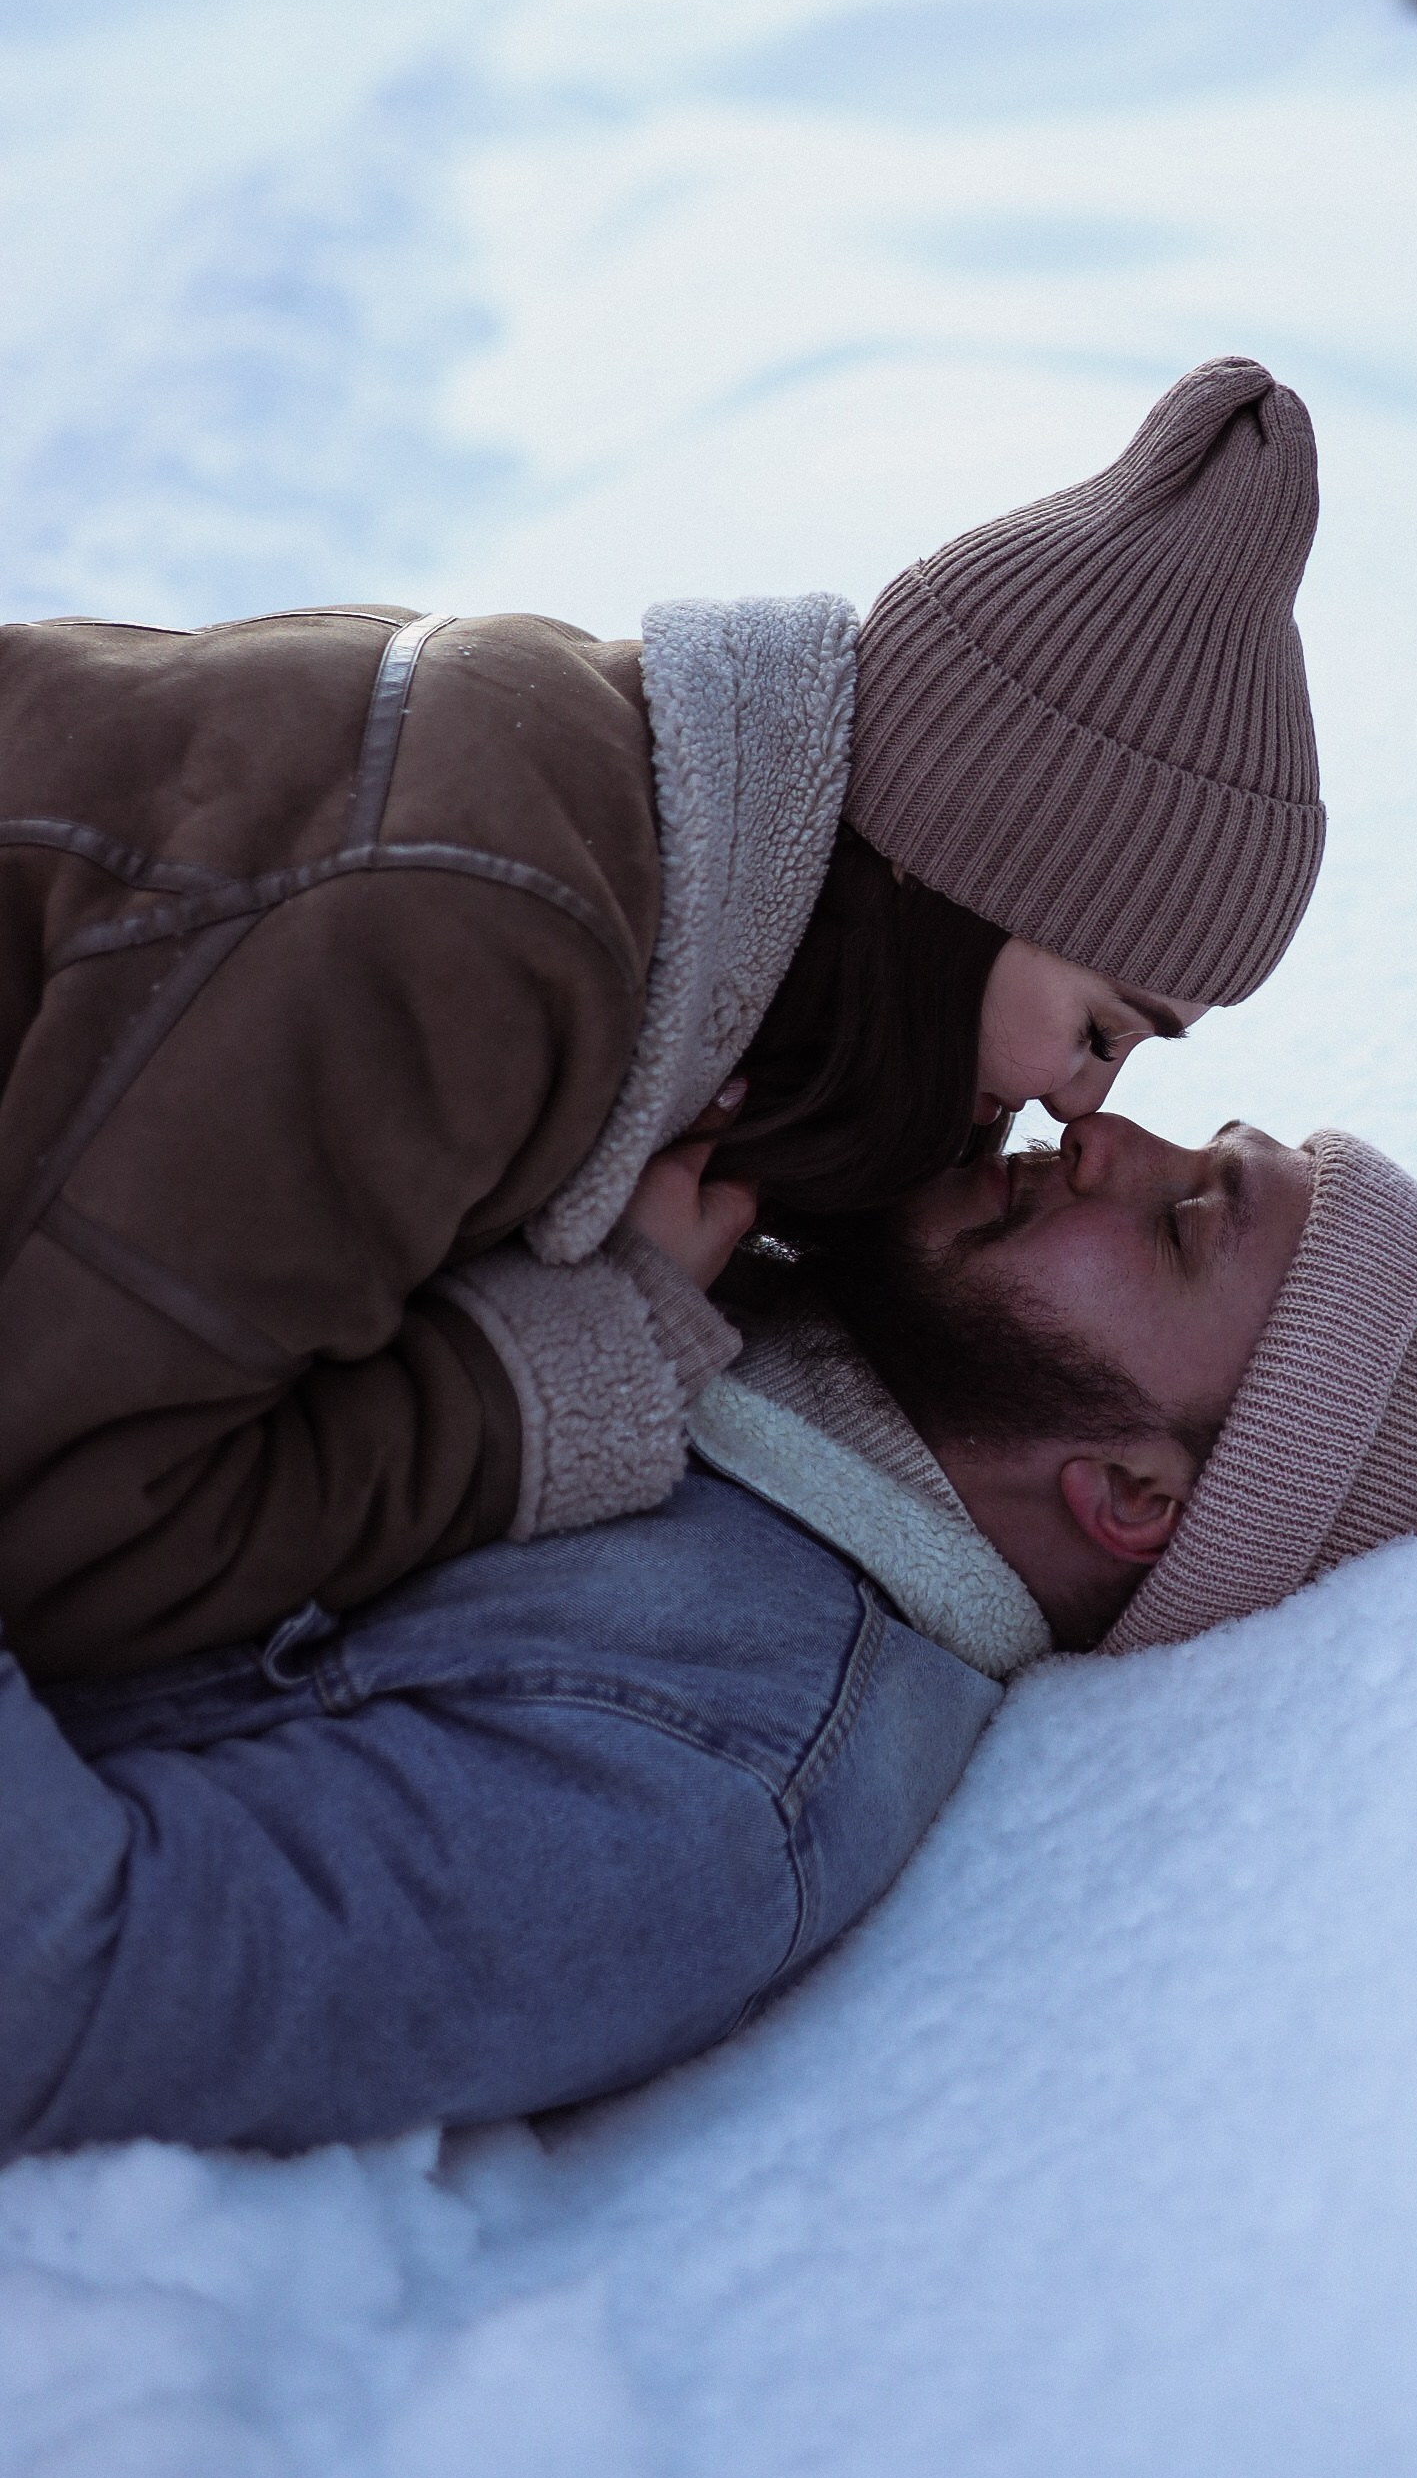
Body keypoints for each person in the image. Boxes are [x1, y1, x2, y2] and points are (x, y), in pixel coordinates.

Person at [0, 357, 1326, 1683]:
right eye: (1102, 1030)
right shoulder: (479, 936)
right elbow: (74, 1535)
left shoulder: (608, 844)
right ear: (955, 873)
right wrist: (570, 1368)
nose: (1085, 1108)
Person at [0, 1111, 1417, 2159]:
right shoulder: (745, 1243)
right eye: (1201, 1143)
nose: (1106, 1137)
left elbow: (65, 1974)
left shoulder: (706, 1783)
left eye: (1183, 1222)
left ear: (1127, 1496)